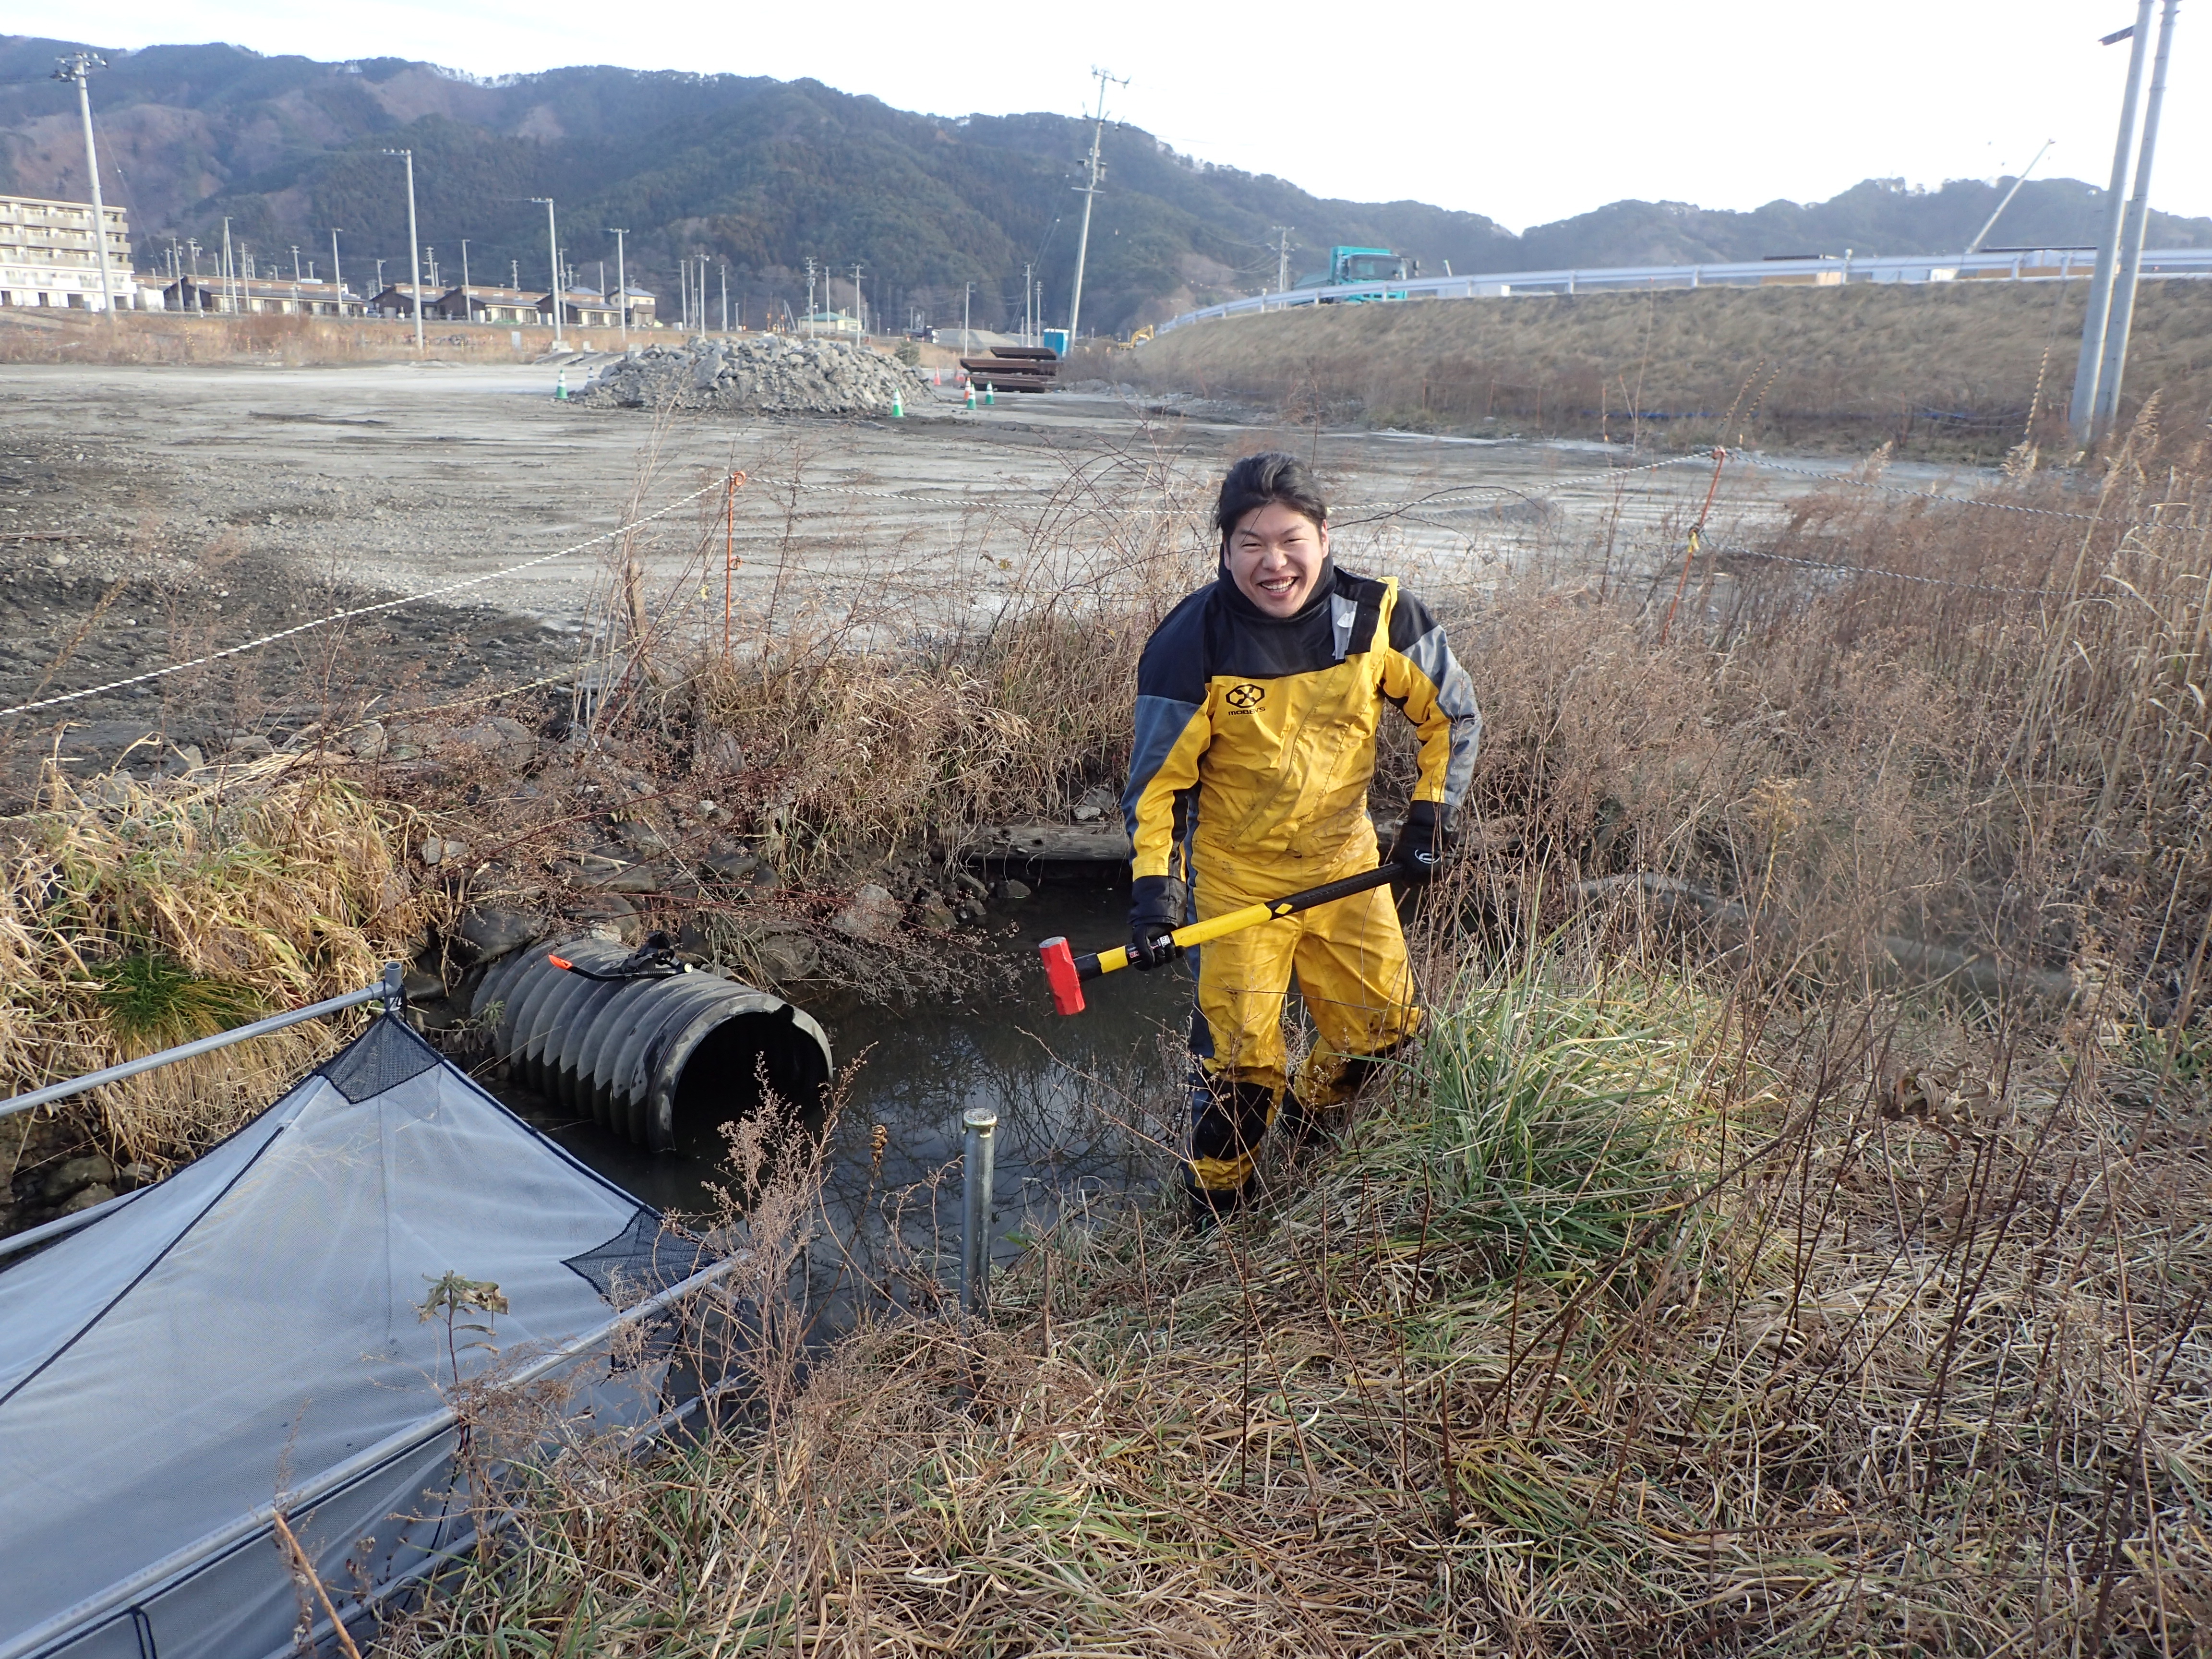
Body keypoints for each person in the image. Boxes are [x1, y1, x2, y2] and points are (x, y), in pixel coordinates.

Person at [1122, 452, 1482, 1226]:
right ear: (1224, 549)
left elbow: (1451, 715)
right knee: (1240, 1076)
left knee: (1383, 1037)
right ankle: (1216, 1218)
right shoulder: (1191, 643)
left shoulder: (1381, 615)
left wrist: (1429, 816)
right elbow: (1158, 788)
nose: (1273, 562)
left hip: (1345, 867)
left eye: (1290, 539)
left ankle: (1311, 1136)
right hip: (1238, 881)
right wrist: (1155, 897)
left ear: (1324, 534)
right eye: (1250, 543)